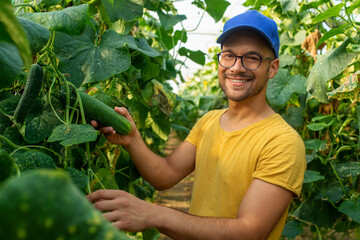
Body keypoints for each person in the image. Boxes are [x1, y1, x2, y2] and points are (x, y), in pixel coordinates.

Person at [87, 10, 306, 240]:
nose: (237, 67)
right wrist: (132, 139)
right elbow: (166, 174)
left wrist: (153, 214)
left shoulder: (283, 142)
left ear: (272, 68)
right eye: (229, 55)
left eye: (252, 58)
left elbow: (248, 232)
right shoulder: (209, 121)